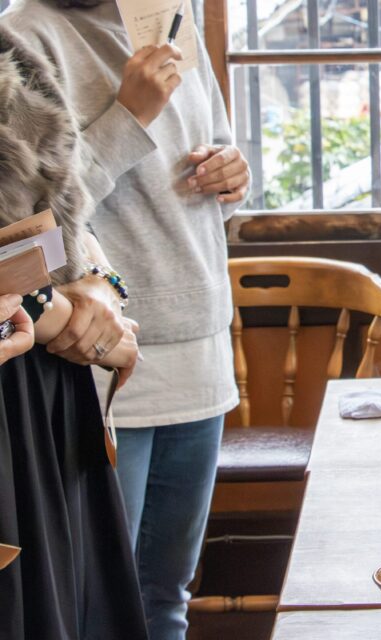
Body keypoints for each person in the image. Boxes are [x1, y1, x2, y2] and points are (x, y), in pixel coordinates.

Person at [3, 1, 251, 638]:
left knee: (167, 596)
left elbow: (209, 199)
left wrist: (234, 177)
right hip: (100, 357)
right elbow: (34, 226)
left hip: (201, 345)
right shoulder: (30, 34)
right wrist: (130, 115)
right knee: (95, 601)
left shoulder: (173, 21)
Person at [0, 24, 147, 639]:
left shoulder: (10, 51)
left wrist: (94, 279)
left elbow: (66, 221)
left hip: (44, 398)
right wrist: (52, 310)